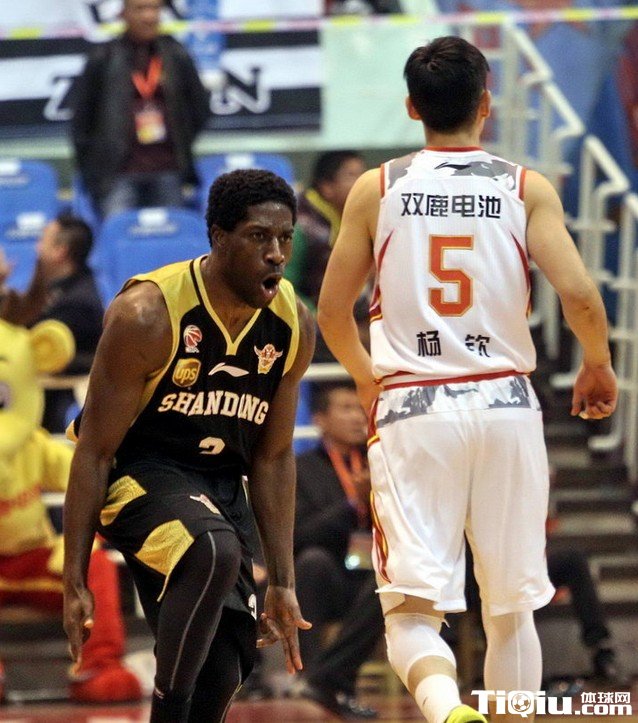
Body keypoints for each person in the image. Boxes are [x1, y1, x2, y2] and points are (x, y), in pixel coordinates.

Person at [317, 36, 617, 723]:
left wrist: (364, 378)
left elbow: (332, 312)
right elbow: (580, 296)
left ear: (411, 107)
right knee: (512, 609)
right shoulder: (524, 187)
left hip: (415, 407)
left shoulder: (376, 188)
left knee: (411, 610)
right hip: (506, 402)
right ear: (487, 104)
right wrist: (597, 361)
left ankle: (448, 710)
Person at [62, 168, 315, 723]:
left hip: (219, 488)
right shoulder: (147, 313)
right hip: (134, 476)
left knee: (225, 668)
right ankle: (166, 708)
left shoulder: (292, 322)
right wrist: (74, 578)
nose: (276, 254)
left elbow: (273, 457)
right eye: (258, 236)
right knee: (212, 550)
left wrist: (283, 581)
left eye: (285, 238)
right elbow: (94, 450)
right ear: (219, 237)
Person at [289, 381, 384, 719]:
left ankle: (324, 679)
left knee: (391, 580)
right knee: (311, 562)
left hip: (374, 569)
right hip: (332, 575)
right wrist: (352, 504)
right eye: (346, 408)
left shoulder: (381, 461)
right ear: (320, 419)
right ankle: (315, 673)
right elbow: (300, 535)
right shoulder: (302, 468)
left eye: (360, 408)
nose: (358, 417)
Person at [70, 0, 210, 219]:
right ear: (123, 13)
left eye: (155, 8)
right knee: (118, 235)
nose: (149, 16)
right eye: (140, 8)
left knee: (172, 237)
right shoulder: (103, 57)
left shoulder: (176, 54)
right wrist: (95, 171)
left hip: (168, 169)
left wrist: (180, 145)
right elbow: (82, 120)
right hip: (117, 173)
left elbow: (199, 107)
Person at [285, 150, 368, 362]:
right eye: (351, 176)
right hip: (313, 328)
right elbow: (283, 287)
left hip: (354, 318)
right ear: (327, 187)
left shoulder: (363, 216)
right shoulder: (298, 226)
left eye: (363, 174)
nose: (362, 183)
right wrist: (319, 320)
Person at [33, 214, 104, 432]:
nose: (36, 248)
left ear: (60, 251)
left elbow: (33, 345)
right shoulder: (59, 288)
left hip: (58, 402)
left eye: (42, 241)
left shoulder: (77, 304)